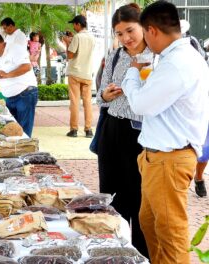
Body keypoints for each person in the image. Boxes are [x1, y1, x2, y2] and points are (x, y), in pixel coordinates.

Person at [121, 2, 209, 263]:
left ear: (152, 31)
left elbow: (140, 104)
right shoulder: (174, 57)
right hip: (158, 158)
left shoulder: (177, 63)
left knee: (171, 236)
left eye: (142, 34)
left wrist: (133, 72)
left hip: (168, 160)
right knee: (151, 225)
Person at [96, 3, 150, 257]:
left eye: (130, 31)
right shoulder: (115, 54)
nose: (126, 38)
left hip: (140, 134)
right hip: (111, 129)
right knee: (111, 194)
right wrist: (105, 94)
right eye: (119, 34)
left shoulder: (156, 56)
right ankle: (112, 252)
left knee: (138, 197)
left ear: (143, 26)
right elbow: (101, 93)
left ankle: (139, 254)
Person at [179, 19, 208, 197]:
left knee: (205, 149)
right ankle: (188, 179)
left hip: (203, 103)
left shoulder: (195, 44)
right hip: (191, 104)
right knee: (193, 147)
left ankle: (198, 177)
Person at [62, 15, 95, 138]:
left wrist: (67, 43)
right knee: (87, 102)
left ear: (78, 24)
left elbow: (70, 55)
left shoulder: (77, 37)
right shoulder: (91, 37)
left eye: (74, 24)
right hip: (87, 73)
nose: (73, 27)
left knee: (75, 102)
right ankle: (88, 129)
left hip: (75, 73)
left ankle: (74, 129)